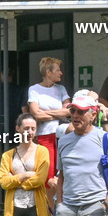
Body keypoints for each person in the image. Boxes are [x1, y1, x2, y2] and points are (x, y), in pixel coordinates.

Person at [28, 57, 71, 192]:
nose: (61, 73)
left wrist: (46, 112)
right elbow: (36, 114)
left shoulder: (61, 89)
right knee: (48, 174)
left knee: (61, 172)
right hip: (45, 136)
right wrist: (59, 113)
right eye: (58, 70)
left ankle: (59, 206)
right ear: (48, 72)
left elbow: (69, 111)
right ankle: (49, 211)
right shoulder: (34, 89)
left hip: (62, 134)